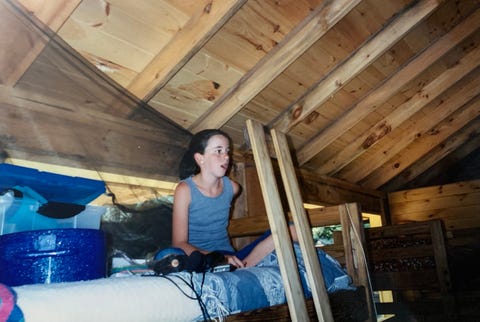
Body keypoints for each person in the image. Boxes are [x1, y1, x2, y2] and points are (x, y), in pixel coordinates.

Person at [171, 129, 296, 268]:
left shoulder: (232, 187)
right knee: (168, 254)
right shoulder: (185, 190)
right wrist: (219, 259)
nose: (226, 157)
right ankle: (233, 267)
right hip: (200, 256)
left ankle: (241, 267)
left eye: (227, 151)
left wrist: (227, 257)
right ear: (200, 158)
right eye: (218, 151)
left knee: (292, 230)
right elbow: (179, 243)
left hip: (230, 255)